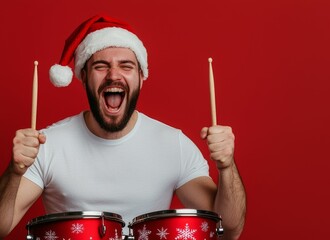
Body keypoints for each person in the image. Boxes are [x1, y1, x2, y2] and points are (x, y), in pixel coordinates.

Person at [0, 15, 246, 239]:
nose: (113, 75)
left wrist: (227, 166)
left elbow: (229, 230)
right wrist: (14, 170)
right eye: (101, 66)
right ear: (83, 76)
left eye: (126, 66)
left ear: (141, 76)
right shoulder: (46, 144)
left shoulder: (174, 144)